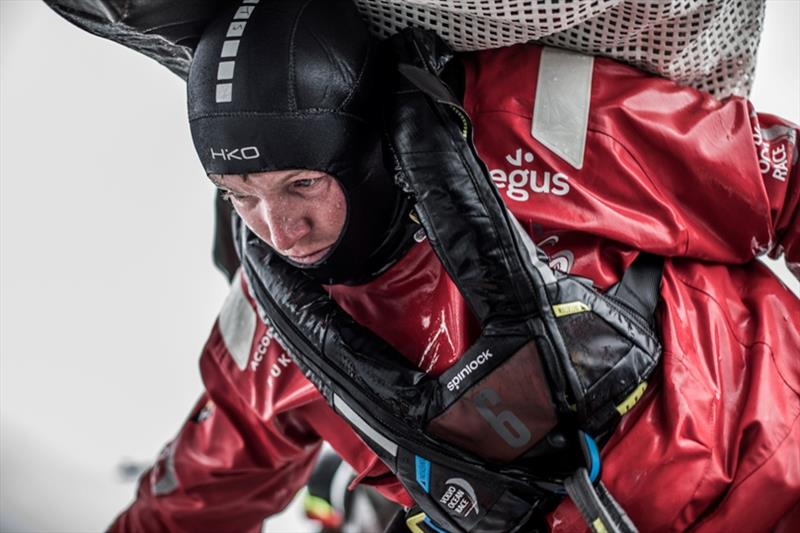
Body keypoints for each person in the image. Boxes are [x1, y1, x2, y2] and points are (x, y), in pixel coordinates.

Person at [110, 0, 800, 531]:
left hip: (779, 453)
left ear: (361, 144)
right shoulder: (271, 325)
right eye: (241, 198)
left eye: (302, 184)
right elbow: (192, 495)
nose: (280, 231)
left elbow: (781, 183)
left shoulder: (528, 118)